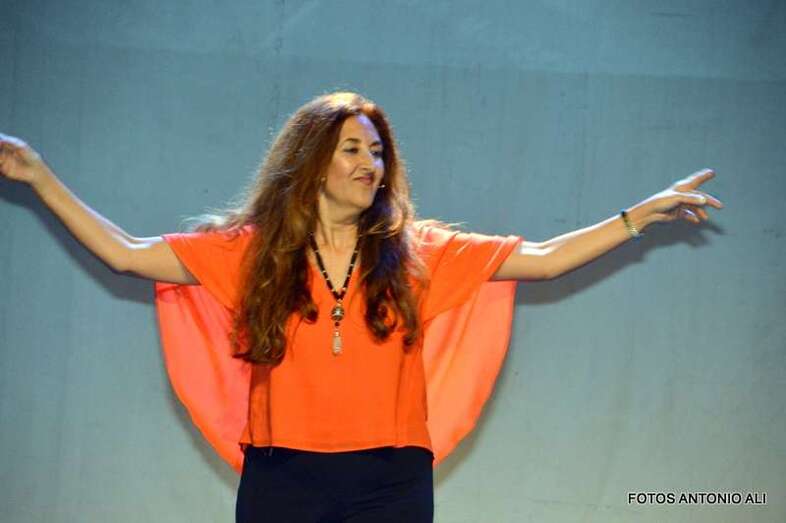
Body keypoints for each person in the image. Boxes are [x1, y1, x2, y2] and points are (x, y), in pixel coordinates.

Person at [0, 91, 722, 522]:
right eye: (352, 149)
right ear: (312, 161)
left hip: (391, 481)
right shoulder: (253, 253)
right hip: (282, 478)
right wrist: (37, 176)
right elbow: (126, 252)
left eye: (377, 153)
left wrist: (637, 216)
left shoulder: (420, 251)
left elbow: (546, 256)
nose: (369, 165)